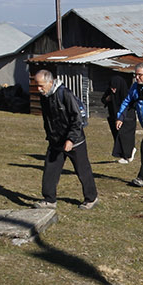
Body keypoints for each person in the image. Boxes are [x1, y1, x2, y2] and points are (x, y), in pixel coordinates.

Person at [29, 70, 97, 209]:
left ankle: (91, 198)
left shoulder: (65, 94)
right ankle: (49, 199)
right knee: (50, 169)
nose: (39, 89)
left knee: (82, 170)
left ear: (50, 82)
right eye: (37, 85)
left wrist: (71, 139)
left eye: (41, 85)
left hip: (74, 140)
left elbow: (77, 119)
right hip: (55, 140)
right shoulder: (44, 96)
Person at [102, 78, 136, 164]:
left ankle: (129, 154)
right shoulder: (109, 92)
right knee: (117, 137)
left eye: (114, 88)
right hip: (114, 117)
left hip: (127, 118)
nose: (113, 90)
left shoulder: (125, 93)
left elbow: (128, 106)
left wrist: (121, 118)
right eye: (111, 88)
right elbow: (103, 99)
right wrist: (107, 99)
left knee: (125, 137)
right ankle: (123, 155)